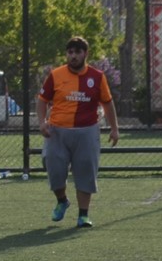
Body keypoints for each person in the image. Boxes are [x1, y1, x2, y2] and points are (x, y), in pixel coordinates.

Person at [38, 35, 118, 229]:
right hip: (57, 132)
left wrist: (114, 128)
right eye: (70, 52)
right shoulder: (56, 75)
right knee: (54, 168)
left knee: (85, 171)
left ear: (85, 54)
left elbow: (107, 103)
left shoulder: (97, 77)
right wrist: (42, 123)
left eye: (77, 52)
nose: (73, 56)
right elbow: (42, 100)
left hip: (87, 131)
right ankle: (62, 200)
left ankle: (83, 215)